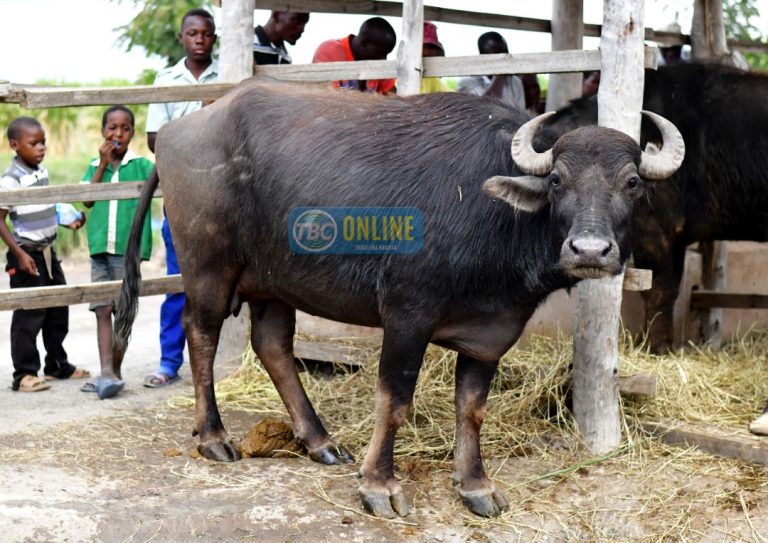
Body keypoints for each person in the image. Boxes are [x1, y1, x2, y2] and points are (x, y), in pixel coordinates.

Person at [144, 8, 218, 388]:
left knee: (224, 283)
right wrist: (200, 125)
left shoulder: (226, 76)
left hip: (222, 192)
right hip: (184, 194)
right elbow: (154, 139)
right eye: (192, 34)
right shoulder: (167, 79)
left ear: (214, 38)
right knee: (178, 280)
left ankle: (214, 364)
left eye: (206, 34)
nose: (200, 40)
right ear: (181, 38)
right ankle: (169, 360)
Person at [0, 117, 88, 393]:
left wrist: (67, 220)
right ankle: (24, 373)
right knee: (29, 313)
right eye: (34, 143)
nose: (41, 148)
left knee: (57, 309)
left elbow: (46, 208)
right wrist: (19, 253)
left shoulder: (41, 171)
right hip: (26, 253)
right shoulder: (10, 180)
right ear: (15, 145)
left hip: (49, 252)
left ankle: (56, 365)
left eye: (43, 142)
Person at [79, 106, 154, 399]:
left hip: (127, 251)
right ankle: (106, 373)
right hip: (100, 248)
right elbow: (86, 201)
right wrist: (101, 163)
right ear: (102, 132)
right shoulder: (92, 165)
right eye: (111, 128)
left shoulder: (143, 166)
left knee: (123, 312)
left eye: (124, 128)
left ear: (132, 133)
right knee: (102, 310)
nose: (117, 134)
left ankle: (115, 370)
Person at [312, 17, 397, 94]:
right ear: (364, 43)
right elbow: (327, 101)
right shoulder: (330, 51)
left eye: (386, 55)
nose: (384, 59)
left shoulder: (378, 64)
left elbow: (392, 97)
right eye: (381, 53)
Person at [457, 32, 526, 110]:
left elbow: (520, 111)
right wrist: (500, 75)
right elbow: (484, 108)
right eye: (496, 54)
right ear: (482, 56)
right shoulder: (467, 81)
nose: (503, 58)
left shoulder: (514, 81)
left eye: (505, 53)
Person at [420, 21, 451, 94]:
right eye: (422, 46)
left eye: (431, 47)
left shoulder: (432, 79)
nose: (427, 51)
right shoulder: (397, 79)